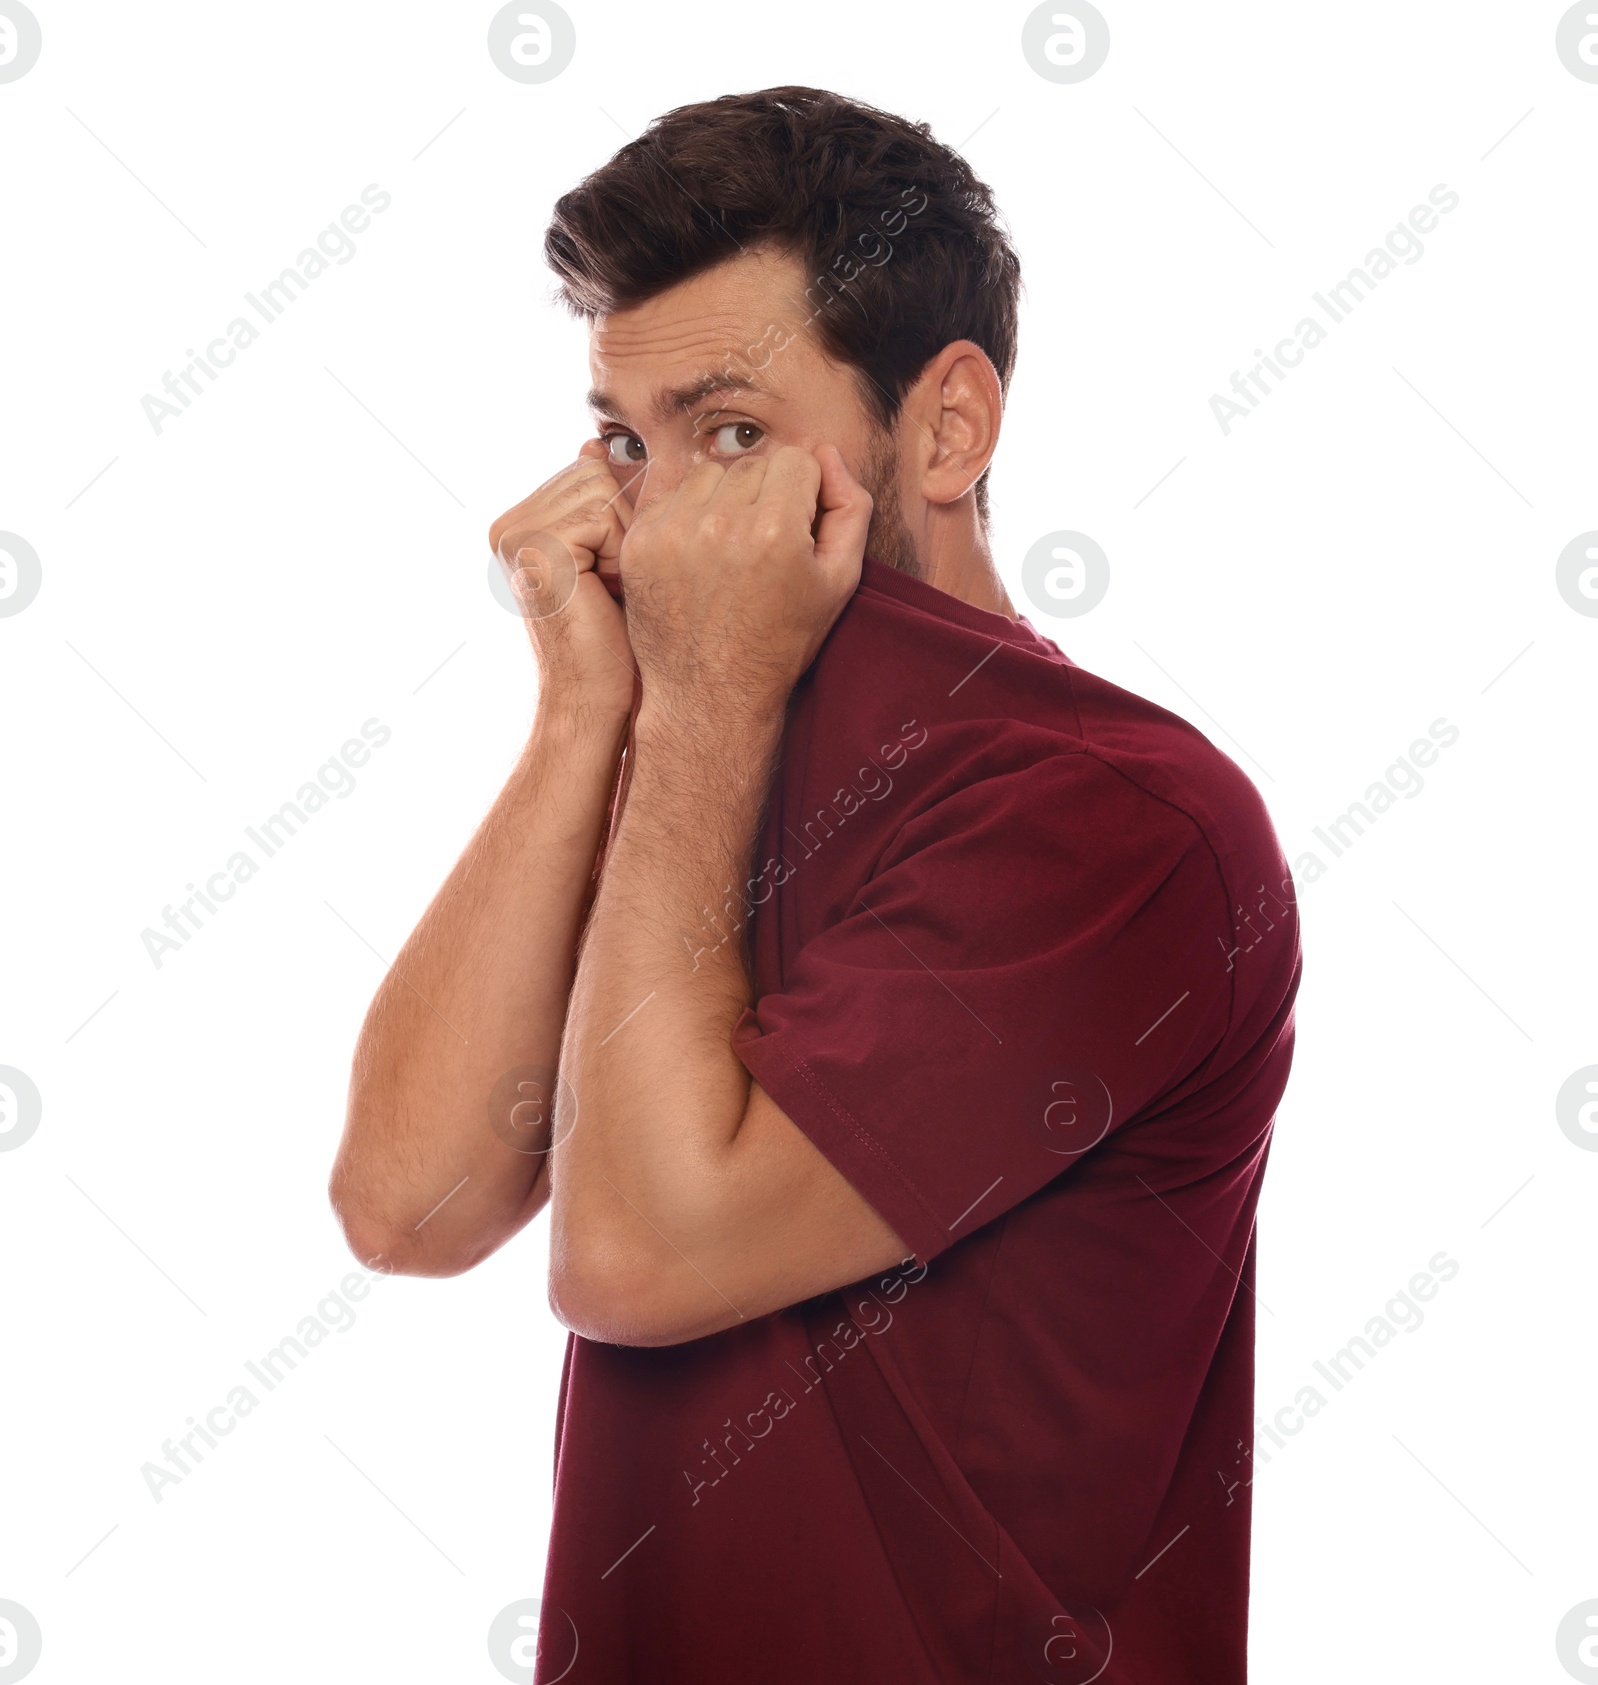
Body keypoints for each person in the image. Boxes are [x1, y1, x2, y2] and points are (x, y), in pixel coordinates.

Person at [329, 85, 1301, 1684]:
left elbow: (639, 1259)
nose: (654, 519)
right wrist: (589, 706)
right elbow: (406, 1201)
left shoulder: (1112, 816)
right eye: (624, 443)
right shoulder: (702, 770)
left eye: (731, 434)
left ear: (948, 426)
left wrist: (695, 710)